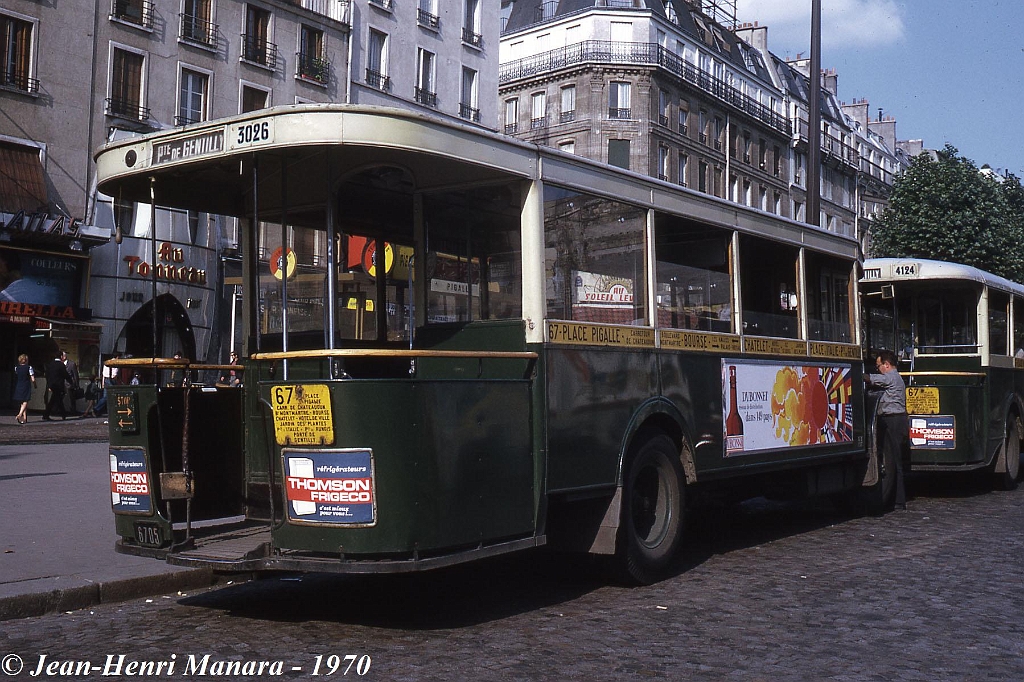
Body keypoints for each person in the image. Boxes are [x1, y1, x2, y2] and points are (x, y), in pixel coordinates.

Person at [865, 349, 908, 510]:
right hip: (894, 419)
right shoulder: (897, 378)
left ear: (887, 365)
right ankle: (896, 499)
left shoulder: (891, 377)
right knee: (894, 460)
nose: (878, 369)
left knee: (895, 461)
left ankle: (898, 500)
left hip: (893, 420)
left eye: (879, 366)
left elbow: (871, 379)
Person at [43, 350, 71, 421]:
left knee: (53, 399)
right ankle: (63, 414)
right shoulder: (61, 365)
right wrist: (71, 381)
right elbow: (65, 375)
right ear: (61, 356)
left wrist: (49, 384)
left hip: (52, 385)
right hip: (59, 385)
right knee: (58, 400)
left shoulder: (51, 364)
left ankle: (46, 414)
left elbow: (47, 375)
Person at [12, 354, 35, 424]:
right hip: (26, 385)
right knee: (26, 400)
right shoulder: (29, 367)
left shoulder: (16, 368)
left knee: (22, 402)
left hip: (19, 385)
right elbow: (33, 379)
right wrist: (35, 385)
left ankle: (24, 419)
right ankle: (19, 414)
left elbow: (17, 375)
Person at [62, 350, 81, 415]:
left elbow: (75, 375)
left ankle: (73, 411)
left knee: (71, 398)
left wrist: (77, 384)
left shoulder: (72, 364)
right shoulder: (60, 364)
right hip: (62, 384)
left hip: (70, 384)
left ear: (64, 357)